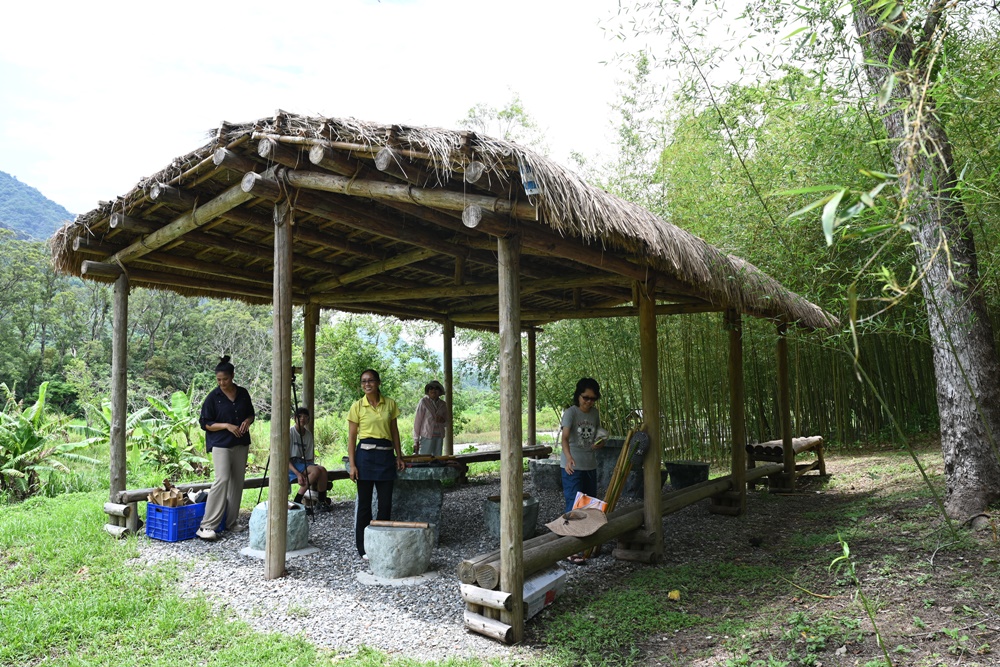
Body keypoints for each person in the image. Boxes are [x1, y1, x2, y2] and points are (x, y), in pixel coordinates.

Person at [347, 369, 405, 558]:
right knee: (364, 505)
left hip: (386, 456)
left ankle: (380, 543)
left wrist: (399, 456)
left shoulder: (390, 404)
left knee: (385, 503)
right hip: (364, 457)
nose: (367, 384)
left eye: (371, 380)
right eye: (363, 381)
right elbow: (352, 437)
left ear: (378, 382)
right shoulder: (357, 406)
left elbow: (394, 432)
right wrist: (353, 465)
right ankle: (363, 548)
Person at [197, 355, 255, 541]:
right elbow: (205, 423)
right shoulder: (213, 397)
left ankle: (231, 522)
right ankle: (207, 526)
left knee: (237, 482)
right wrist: (227, 426)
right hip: (220, 443)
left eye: (225, 379)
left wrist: (247, 421)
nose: (222, 383)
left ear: (232, 376)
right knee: (221, 480)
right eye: (218, 380)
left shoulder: (243, 393)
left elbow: (251, 414)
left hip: (241, 443)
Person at [560, 377, 604, 563]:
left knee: (589, 504)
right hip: (572, 466)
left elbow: (599, 433)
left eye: (593, 399)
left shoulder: (594, 414)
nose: (589, 402)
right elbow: (565, 438)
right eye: (586, 397)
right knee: (574, 503)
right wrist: (569, 458)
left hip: (590, 464)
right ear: (578, 396)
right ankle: (570, 548)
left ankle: (586, 543)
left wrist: (600, 441)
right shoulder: (570, 413)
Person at [288, 407, 331, 515]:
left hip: (301, 463)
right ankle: (297, 501)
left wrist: (310, 468)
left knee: (322, 470)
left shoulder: (308, 435)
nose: (302, 419)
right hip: (289, 464)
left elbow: (308, 458)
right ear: (294, 418)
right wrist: (298, 474)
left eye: (305, 417)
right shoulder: (289, 432)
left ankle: (321, 502)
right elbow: (285, 459)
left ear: (308, 420)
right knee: (316, 471)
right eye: (300, 416)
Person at [413, 380, 448, 457]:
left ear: (439, 391)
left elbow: (447, 422)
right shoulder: (423, 402)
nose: (433, 390)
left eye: (436, 388)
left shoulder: (443, 404)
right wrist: (416, 440)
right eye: (431, 388)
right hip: (426, 437)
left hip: (439, 437)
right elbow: (417, 422)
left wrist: (442, 420)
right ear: (428, 391)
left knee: (437, 460)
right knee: (425, 459)